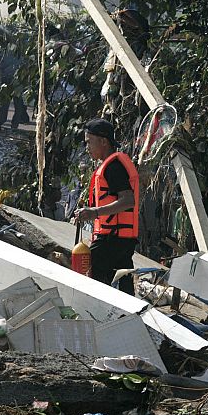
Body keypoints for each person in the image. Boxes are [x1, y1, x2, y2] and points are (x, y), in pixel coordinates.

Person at [74, 118, 139, 295]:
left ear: (103, 141)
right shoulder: (111, 165)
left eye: (89, 142)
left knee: (95, 281)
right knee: (124, 286)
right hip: (121, 239)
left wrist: (94, 212)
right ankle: (129, 318)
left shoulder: (113, 167)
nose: (87, 147)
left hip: (112, 239)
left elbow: (128, 200)